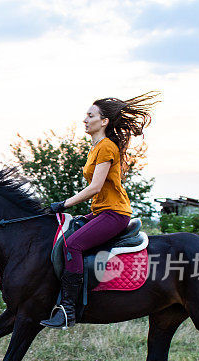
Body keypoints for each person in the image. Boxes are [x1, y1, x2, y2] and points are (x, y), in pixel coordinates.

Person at [41, 92, 159, 329]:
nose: (84, 119)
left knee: (72, 245)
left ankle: (68, 309)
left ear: (103, 121)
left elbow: (95, 187)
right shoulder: (95, 147)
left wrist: (64, 204)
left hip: (114, 213)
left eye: (90, 115)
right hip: (101, 212)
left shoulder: (106, 147)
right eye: (86, 115)